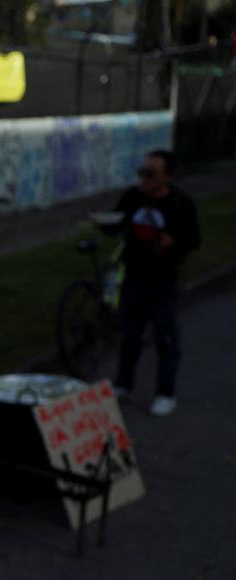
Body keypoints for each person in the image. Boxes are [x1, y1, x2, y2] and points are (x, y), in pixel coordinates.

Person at [97, 149, 199, 417]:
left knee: (165, 337)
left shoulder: (180, 204)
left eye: (151, 173)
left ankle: (165, 393)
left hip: (163, 281)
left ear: (167, 176)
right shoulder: (133, 197)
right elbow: (117, 223)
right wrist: (105, 223)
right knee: (130, 335)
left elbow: (193, 239)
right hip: (134, 277)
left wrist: (173, 243)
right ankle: (123, 384)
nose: (144, 178)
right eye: (142, 172)